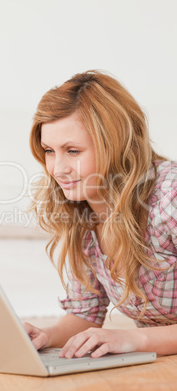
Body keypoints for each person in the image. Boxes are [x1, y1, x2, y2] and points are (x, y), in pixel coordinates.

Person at [23, 69, 177, 359]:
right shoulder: (80, 210)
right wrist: (46, 335)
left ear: (115, 145)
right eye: (49, 151)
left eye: (72, 151)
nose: (57, 169)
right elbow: (85, 314)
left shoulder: (170, 196)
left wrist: (131, 339)